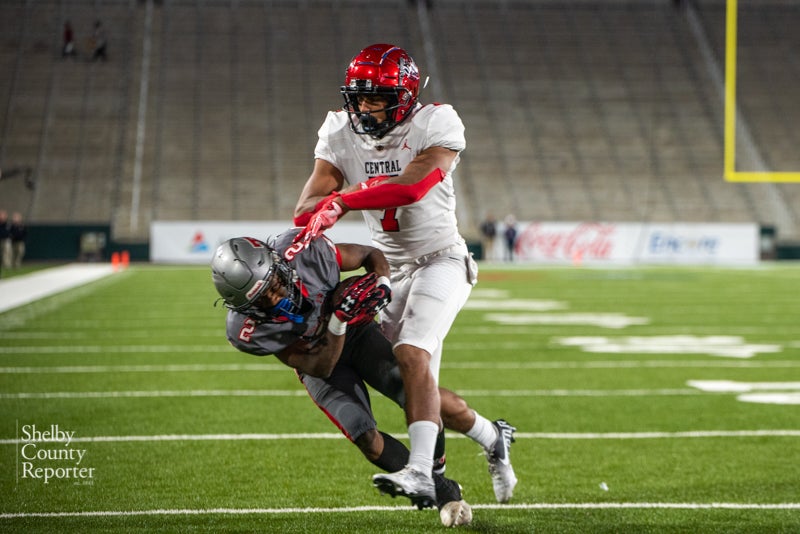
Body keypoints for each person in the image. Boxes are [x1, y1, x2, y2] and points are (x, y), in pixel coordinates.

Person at [291, 43, 517, 505]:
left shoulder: (435, 122)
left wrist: (346, 198)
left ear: (406, 96)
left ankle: (418, 472)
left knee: (412, 353)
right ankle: (493, 437)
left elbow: (412, 186)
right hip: (391, 270)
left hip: (442, 259)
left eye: (378, 97)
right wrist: (333, 201)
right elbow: (304, 210)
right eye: (360, 96)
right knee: (412, 381)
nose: (366, 107)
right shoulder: (339, 131)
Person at [212, 232, 501, 525]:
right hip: (319, 360)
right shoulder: (246, 331)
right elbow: (321, 367)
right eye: (263, 300)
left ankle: (462, 454)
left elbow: (369, 254)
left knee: (416, 392)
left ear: (278, 265)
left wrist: (383, 285)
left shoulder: (305, 255)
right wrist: (337, 319)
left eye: (273, 285)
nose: (276, 298)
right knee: (366, 439)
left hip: (359, 334)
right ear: (245, 309)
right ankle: (443, 489)